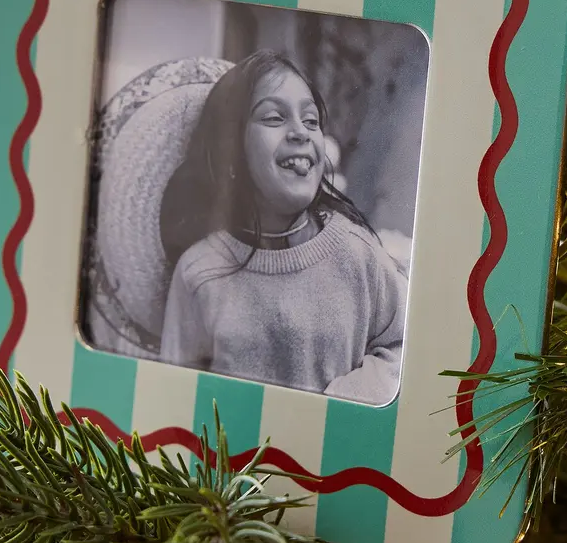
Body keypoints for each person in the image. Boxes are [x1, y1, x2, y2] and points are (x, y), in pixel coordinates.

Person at [158, 50, 405, 405]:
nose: (300, 132)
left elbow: (405, 342)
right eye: (274, 117)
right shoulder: (199, 273)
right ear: (231, 152)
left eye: (311, 120)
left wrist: (341, 402)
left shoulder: (357, 253)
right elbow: (178, 393)